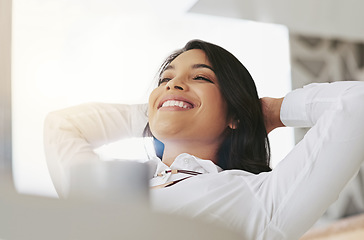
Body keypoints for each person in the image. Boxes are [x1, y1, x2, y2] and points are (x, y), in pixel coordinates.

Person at [44, 40, 364, 240]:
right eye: (165, 79)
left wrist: (268, 111)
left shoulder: (257, 199)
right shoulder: (114, 183)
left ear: (234, 113)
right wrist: (160, 112)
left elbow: (357, 103)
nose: (174, 84)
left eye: (200, 77)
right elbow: (61, 126)